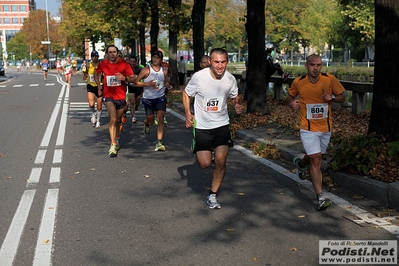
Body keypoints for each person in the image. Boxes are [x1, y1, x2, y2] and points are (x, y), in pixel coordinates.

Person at [182, 48, 243, 209]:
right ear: (210, 61)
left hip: (222, 124)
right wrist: (188, 114)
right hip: (202, 126)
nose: (220, 65)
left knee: (221, 161)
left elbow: (234, 96)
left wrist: (237, 104)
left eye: (223, 62)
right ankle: (198, 148)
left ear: (227, 62)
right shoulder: (199, 77)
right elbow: (186, 94)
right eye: (216, 62)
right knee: (204, 164)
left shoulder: (230, 79)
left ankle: (213, 194)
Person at [287, 53, 345, 211]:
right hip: (307, 128)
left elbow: (342, 97)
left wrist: (332, 98)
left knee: (315, 158)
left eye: (319, 65)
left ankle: (300, 163)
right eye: (312, 65)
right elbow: (290, 95)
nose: (316, 68)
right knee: (316, 159)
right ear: (307, 66)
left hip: (325, 128)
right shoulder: (299, 82)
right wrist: (292, 103)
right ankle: (320, 196)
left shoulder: (329, 79)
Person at [94, 45, 135, 157]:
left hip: (121, 97)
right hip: (108, 96)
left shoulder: (124, 64)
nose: (112, 54)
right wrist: (99, 86)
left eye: (114, 52)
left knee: (117, 120)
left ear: (118, 53)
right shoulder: (103, 64)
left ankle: (116, 137)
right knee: (112, 118)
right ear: (107, 54)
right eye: (110, 52)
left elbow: (133, 78)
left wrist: (124, 78)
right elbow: (96, 74)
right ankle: (112, 144)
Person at [132, 50, 170, 152]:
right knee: (151, 120)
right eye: (154, 57)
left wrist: (168, 85)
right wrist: (148, 84)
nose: (155, 59)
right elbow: (136, 83)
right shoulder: (146, 70)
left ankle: (159, 142)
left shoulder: (164, 71)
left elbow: (165, 81)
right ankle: (146, 124)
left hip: (160, 98)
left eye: (157, 58)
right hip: (148, 99)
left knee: (160, 118)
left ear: (161, 60)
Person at [83, 51, 103, 128]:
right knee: (91, 104)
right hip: (91, 85)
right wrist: (85, 76)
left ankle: (98, 121)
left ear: (98, 57)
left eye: (95, 56)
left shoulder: (101, 65)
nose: (94, 58)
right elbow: (85, 73)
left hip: (100, 86)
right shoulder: (88, 65)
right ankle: (93, 113)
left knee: (99, 106)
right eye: (92, 56)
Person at [127, 55, 143, 124]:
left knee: (137, 101)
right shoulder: (126, 69)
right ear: (129, 62)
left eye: (133, 62)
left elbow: (143, 77)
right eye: (131, 62)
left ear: (136, 62)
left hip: (138, 87)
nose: (132, 63)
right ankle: (133, 117)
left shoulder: (139, 69)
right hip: (130, 87)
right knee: (132, 101)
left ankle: (137, 105)